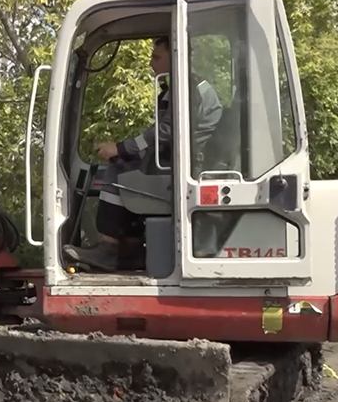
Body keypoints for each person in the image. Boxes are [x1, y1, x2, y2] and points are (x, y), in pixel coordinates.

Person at [63, 36, 223, 271]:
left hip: (185, 167)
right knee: (123, 165)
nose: (151, 63)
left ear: (177, 56)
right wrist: (126, 151)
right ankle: (131, 250)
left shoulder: (190, 90)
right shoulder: (180, 88)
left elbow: (165, 132)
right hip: (175, 159)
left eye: (157, 57)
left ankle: (111, 248)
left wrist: (120, 149)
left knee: (118, 170)